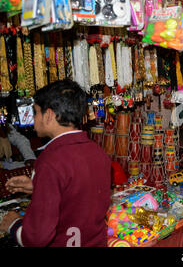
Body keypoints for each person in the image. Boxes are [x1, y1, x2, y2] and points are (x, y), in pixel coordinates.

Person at [0, 80, 111, 247]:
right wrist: (38, 186)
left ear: (49, 115)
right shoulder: (98, 152)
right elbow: (79, 193)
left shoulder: (50, 161)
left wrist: (13, 224)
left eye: (36, 112)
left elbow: (37, 237)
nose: (33, 119)